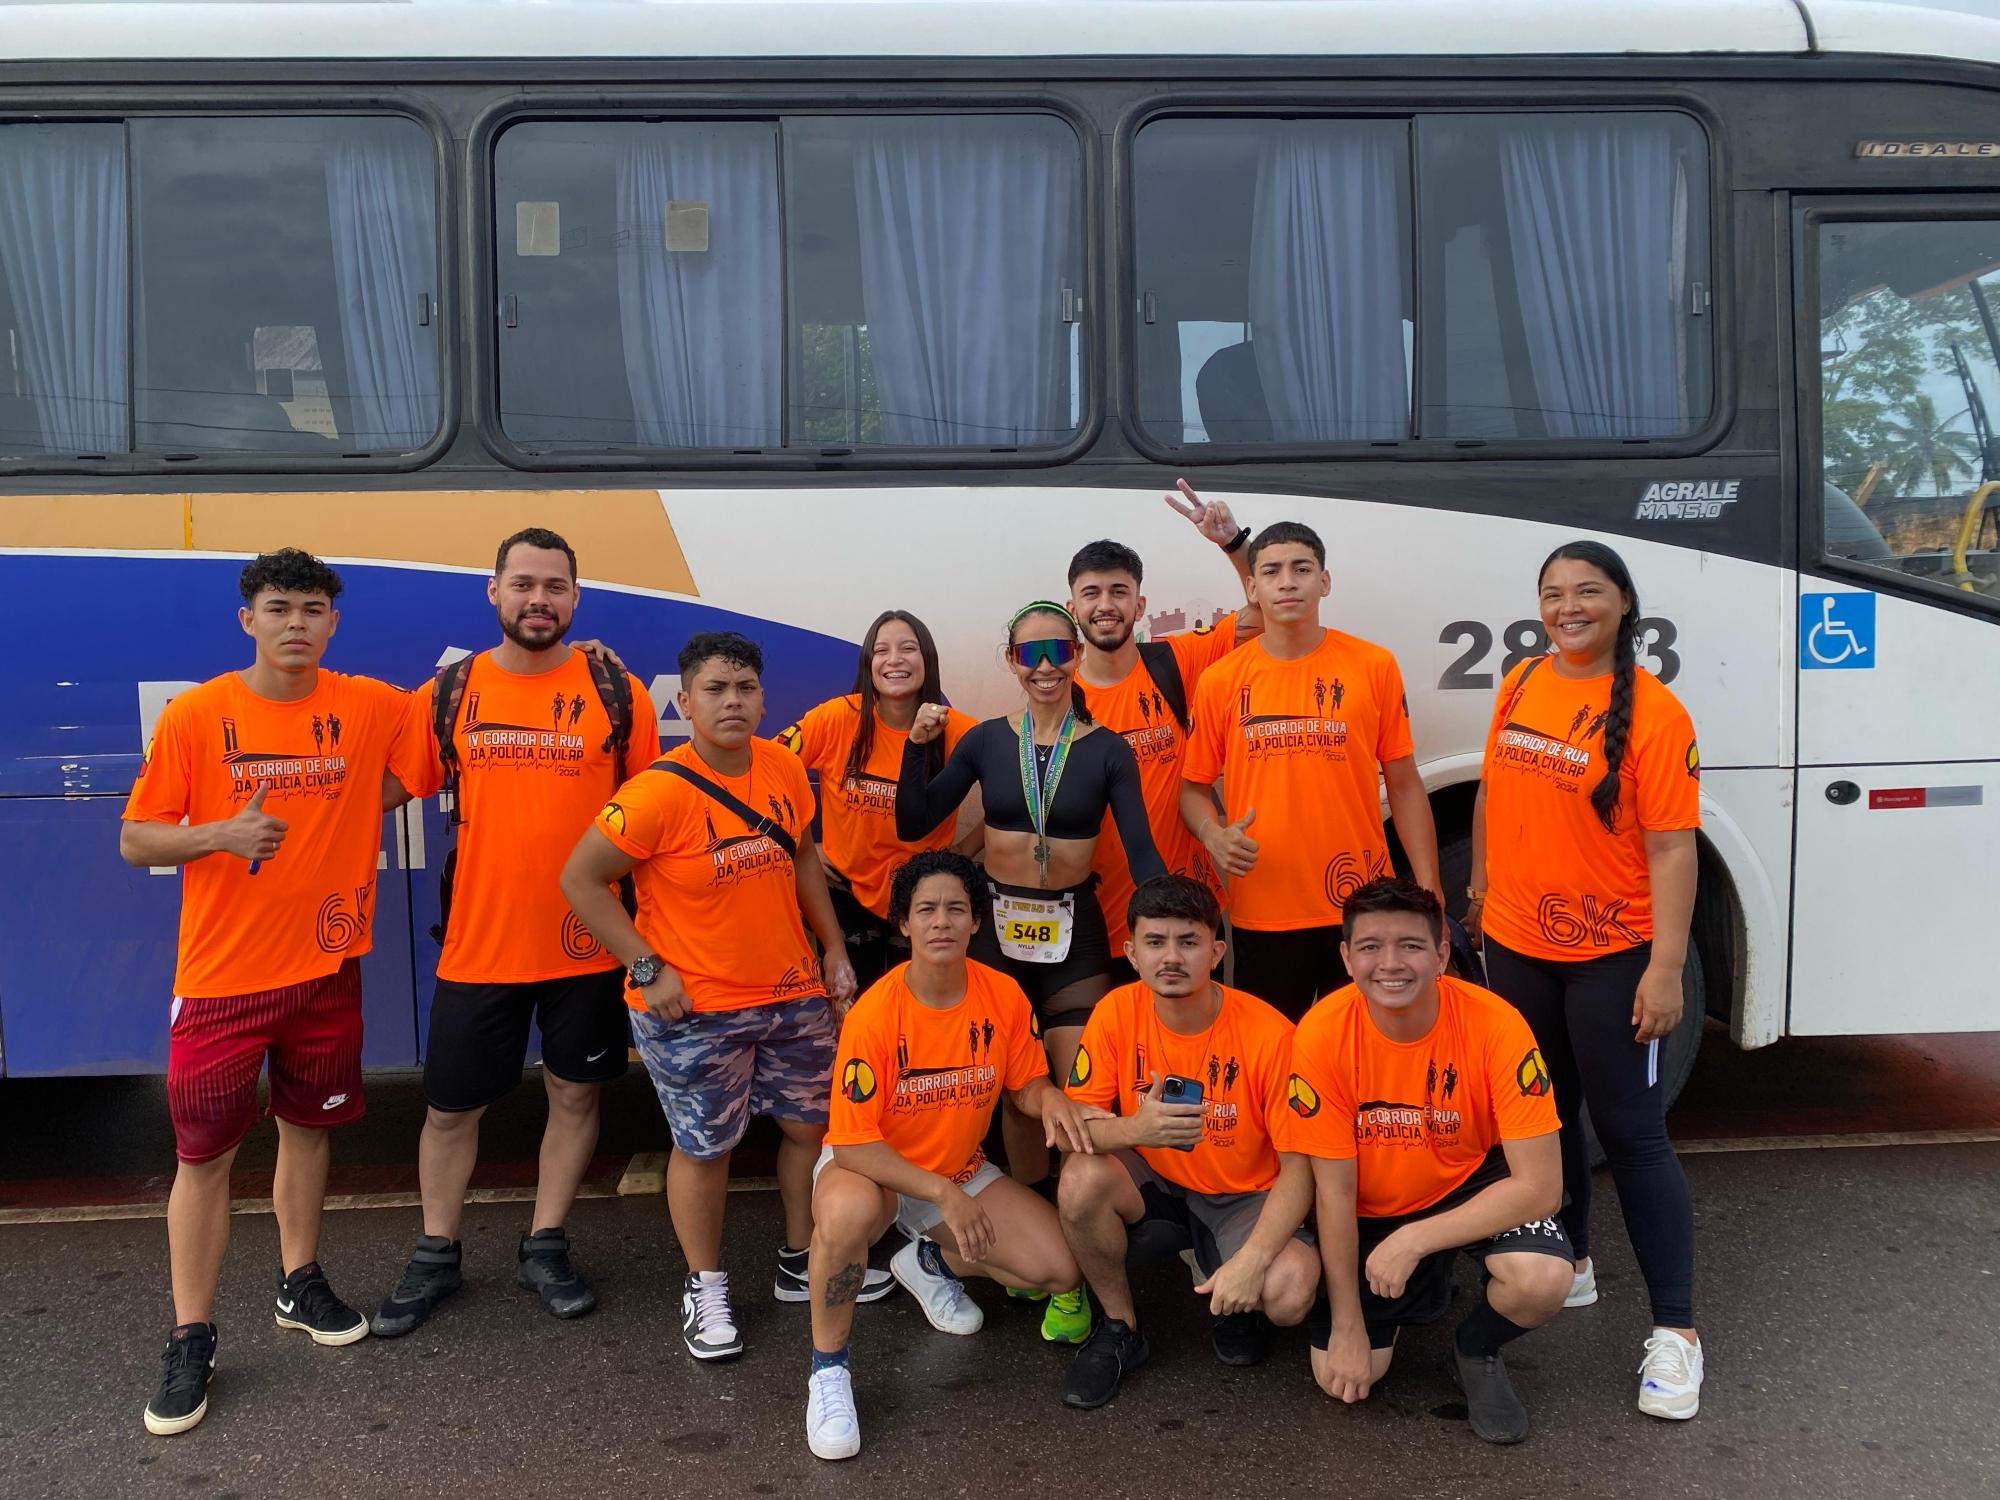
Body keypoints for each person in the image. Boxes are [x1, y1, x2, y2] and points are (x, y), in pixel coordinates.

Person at [119, 548, 428, 1436]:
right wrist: (223, 831)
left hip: (328, 971)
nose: (298, 622)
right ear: (247, 619)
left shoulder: (368, 703)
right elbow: (138, 840)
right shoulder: (197, 714)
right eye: (280, 607)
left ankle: (299, 1281)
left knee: (309, 1131)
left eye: (315, 609)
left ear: (334, 623)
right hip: (220, 983)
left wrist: (350, 809)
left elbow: (427, 759)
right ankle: (191, 1334)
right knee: (204, 1160)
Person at [559, 630, 887, 1364]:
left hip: (793, 995)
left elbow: (803, 857)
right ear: (686, 701)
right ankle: (704, 1286)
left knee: (812, 1131)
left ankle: (803, 1258)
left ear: (764, 699)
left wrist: (832, 947)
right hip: (693, 1008)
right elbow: (581, 881)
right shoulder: (655, 792)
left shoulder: (782, 767)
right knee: (706, 1148)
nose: (732, 702)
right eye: (715, 689)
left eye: (745, 689)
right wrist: (648, 969)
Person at [371, 528, 661, 1339]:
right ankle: (436, 1253)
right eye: (524, 584)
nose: (540, 599)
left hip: (588, 943)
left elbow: (653, 814)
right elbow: (391, 787)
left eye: (555, 587)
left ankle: (545, 1243)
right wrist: (294, 823)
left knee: (575, 1093)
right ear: (493, 594)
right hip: (480, 940)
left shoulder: (619, 692)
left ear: (576, 599)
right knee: (450, 1107)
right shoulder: (452, 690)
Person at [1466, 540, 1704, 1420]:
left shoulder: (1656, 713)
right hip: (1520, 944)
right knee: (1545, 1112)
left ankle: (1676, 1336)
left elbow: (1672, 846)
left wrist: (1667, 968)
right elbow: (1494, 789)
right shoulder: (1524, 679)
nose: (1569, 607)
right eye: (1553, 594)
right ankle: (1572, 1258)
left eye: (1588, 592)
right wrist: (1484, 893)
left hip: (1615, 957)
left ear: (1623, 603)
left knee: (1634, 1137)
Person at [803, 851, 1099, 1460]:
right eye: (927, 910)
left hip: (958, 1170)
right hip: (875, 1167)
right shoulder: (874, 1015)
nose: (942, 921)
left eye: (956, 909)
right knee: (847, 1218)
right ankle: (828, 1371)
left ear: (976, 924)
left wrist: (1053, 1102)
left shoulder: (1005, 995)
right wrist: (940, 1193)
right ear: (905, 925)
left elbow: (1024, 1083)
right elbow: (854, 1140)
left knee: (1058, 1270)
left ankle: (927, 1261)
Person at [1280, 878, 1571, 1445]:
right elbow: (1332, 1193)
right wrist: (1346, 1325)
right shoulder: (1320, 1034)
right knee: (1342, 1379)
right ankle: (1412, 1285)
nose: (1390, 964)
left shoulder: (1497, 1024)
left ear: (1441, 954)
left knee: (1542, 1280)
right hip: (1371, 1196)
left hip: (1465, 1174)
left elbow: (1541, 1188)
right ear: (1346, 958)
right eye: (1370, 946)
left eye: (1411, 945)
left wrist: (1415, 1239)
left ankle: (1475, 1350)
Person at [896, 601, 1166, 1197]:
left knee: (1078, 1090)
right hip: (995, 930)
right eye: (1029, 654)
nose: (1045, 666)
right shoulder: (987, 741)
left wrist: (1172, 921)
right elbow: (915, 822)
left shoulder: (1108, 749)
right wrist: (916, 746)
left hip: (1076, 932)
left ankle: (1080, 1210)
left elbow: (1142, 850)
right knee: (1017, 1096)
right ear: (1012, 663)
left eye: (1057, 651)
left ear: (1076, 655)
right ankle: (1034, 1209)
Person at [1056, 875, 1316, 1409]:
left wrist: (1255, 1260)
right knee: (1080, 1179)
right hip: (1159, 1183)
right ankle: (1121, 1328)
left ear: (1216, 951)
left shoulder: (1270, 1034)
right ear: (1130, 952)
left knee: (1288, 1293)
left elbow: (1301, 1168)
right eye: (1155, 942)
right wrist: (1135, 1130)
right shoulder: (1115, 1012)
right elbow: (1073, 1131)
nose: (1170, 958)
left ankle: (1237, 1297)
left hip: (1247, 1194)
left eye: (1188, 942)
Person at [1180, 521, 1440, 1021]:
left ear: (1325, 581)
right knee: (1276, 1059)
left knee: (1366, 1052)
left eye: (1302, 569)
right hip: (1264, 907)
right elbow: (1192, 788)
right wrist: (1213, 835)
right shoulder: (1221, 680)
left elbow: (1405, 786)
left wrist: (1429, 887)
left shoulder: (1373, 665)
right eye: (1272, 571)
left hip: (1360, 904)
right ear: (1252, 588)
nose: (1288, 582)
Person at [1069, 480, 1262, 977]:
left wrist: (1233, 544)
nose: (1105, 604)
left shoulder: (1176, 661)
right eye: (1091, 593)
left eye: (1119, 591)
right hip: (1096, 921)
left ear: (1140, 605)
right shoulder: (1056, 696)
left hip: (1186, 913)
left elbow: (1265, 617)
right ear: (1073, 609)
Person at [778, 610, 978, 990]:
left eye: (908, 648)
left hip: (924, 897)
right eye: (882, 650)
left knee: (917, 1007)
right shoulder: (837, 717)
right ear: (869, 663)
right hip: (846, 894)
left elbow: (1015, 793)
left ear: (927, 661)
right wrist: (802, 845)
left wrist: (963, 853)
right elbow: (766, 769)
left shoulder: (959, 730)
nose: (895, 659)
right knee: (855, 1006)